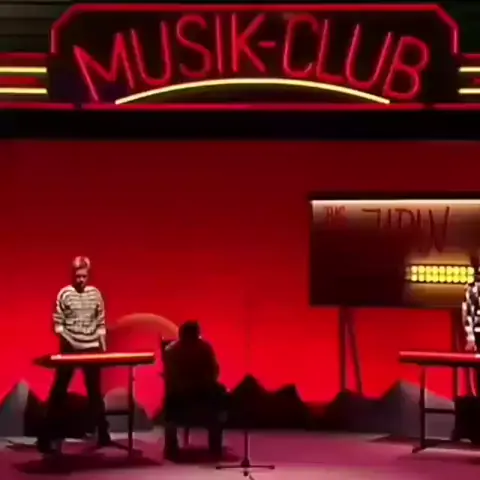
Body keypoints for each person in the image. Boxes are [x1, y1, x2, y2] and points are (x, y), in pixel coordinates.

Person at [37, 256, 111, 454]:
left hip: (91, 347)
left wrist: (102, 344)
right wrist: (69, 341)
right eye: (78, 276)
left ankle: (103, 432)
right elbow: (58, 324)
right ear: (72, 275)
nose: (81, 280)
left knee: (95, 391)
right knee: (59, 390)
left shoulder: (95, 294)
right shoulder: (65, 294)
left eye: (84, 276)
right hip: (70, 346)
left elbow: (100, 321)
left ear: (88, 275)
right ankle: (46, 436)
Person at [163, 321, 226, 459]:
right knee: (171, 404)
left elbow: (214, 371)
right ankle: (215, 441)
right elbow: (214, 371)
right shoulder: (174, 351)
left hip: (196, 391)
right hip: (184, 394)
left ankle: (172, 446)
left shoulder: (202, 349)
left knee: (219, 394)